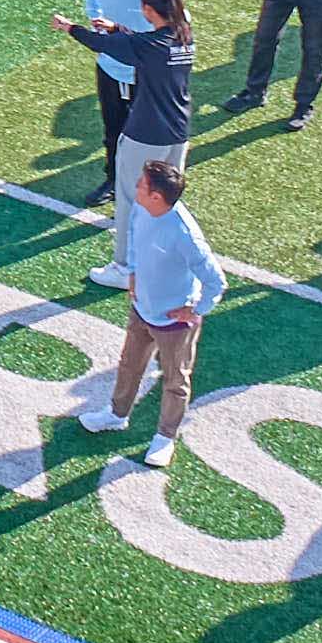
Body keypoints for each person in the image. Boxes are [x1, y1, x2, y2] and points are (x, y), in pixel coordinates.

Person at [74, 152, 223, 470]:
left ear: (156, 196)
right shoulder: (143, 209)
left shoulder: (185, 235)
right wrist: (133, 272)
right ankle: (117, 415)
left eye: (142, 185)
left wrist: (196, 309)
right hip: (141, 309)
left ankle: (165, 437)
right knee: (129, 364)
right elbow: (134, 238)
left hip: (174, 323)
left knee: (175, 380)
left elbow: (216, 281)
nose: (136, 187)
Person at [61, 0, 203, 297]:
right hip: (178, 131)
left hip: (145, 134)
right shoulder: (184, 35)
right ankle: (169, 259)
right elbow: (141, 44)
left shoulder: (148, 46)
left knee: (129, 198)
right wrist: (119, 29)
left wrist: (71, 28)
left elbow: (104, 46)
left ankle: (124, 267)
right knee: (167, 200)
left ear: (149, 10)